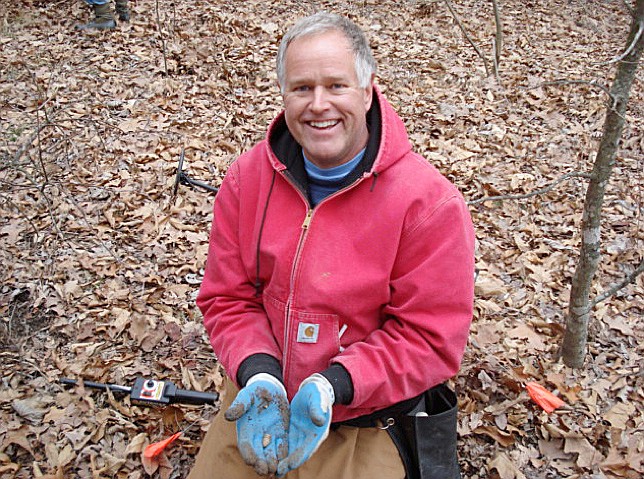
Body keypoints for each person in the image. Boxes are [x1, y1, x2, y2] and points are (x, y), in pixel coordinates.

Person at [190, 11, 475, 479]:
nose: (318, 104)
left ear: (367, 91)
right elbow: (227, 297)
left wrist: (335, 384)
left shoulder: (428, 203)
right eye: (302, 88)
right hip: (261, 398)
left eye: (336, 86)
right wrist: (257, 370)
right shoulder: (247, 180)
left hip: (366, 418)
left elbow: (430, 339)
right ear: (283, 96)